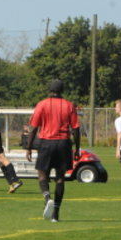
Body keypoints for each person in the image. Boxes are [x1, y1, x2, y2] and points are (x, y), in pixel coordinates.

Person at [25, 79, 80, 223]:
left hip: (46, 142)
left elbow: (33, 128)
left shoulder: (42, 104)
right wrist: (77, 148)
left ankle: (47, 197)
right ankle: (55, 214)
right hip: (63, 143)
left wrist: (29, 147)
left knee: (42, 174)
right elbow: (76, 129)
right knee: (60, 178)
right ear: (62, 90)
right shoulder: (69, 105)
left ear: (50, 90)